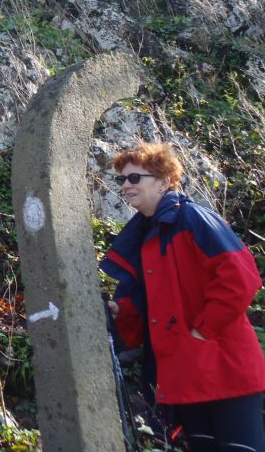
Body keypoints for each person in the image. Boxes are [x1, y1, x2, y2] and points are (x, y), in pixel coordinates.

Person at [102, 141, 265, 452]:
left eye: (134, 178)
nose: (125, 185)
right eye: (121, 179)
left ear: (164, 181)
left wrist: (203, 329)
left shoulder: (193, 219)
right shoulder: (143, 235)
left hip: (224, 369)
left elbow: (241, 276)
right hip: (184, 377)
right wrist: (120, 311)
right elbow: (146, 305)